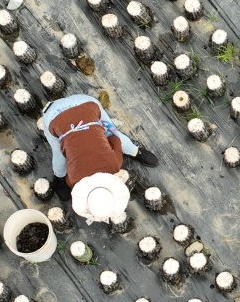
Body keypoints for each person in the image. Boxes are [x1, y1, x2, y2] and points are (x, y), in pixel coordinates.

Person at [38, 93, 156, 225]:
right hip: (60, 113)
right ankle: (59, 177)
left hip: (80, 106)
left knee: (115, 136)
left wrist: (98, 136)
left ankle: (136, 151)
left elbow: (114, 141)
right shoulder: (74, 179)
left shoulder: (114, 164)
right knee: (59, 155)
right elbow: (114, 141)